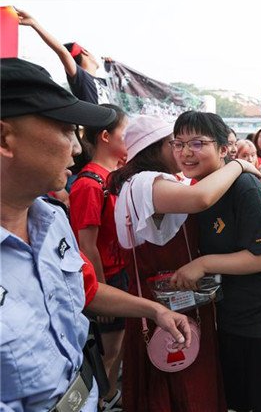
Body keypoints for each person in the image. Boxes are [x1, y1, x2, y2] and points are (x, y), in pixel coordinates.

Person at [0, 57, 190, 412]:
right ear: (4, 138)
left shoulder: (50, 219)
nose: (76, 147)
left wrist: (155, 311)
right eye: (66, 130)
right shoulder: (87, 186)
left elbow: (85, 289)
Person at [109, 115, 261, 411]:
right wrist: (237, 165)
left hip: (171, 301)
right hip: (170, 307)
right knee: (184, 387)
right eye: (176, 143)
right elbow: (199, 199)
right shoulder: (145, 182)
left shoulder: (143, 183)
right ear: (154, 149)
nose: (183, 151)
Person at [168, 111, 261, 412]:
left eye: (197, 143)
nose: (186, 152)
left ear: (223, 149)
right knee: (240, 395)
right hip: (233, 308)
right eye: (179, 143)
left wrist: (203, 264)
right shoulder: (199, 189)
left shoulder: (245, 186)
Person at [68, 104, 128, 409]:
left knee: (118, 347)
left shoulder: (113, 177)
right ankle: (100, 401)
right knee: (109, 351)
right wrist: (101, 289)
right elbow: (86, 245)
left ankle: (109, 395)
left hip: (118, 273)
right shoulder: (89, 184)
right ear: (105, 136)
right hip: (107, 278)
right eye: (125, 132)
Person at [17, 9, 112, 105]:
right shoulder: (82, 78)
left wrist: (114, 69)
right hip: (96, 115)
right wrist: (34, 23)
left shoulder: (103, 82)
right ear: (85, 52)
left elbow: (121, 85)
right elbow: (63, 52)